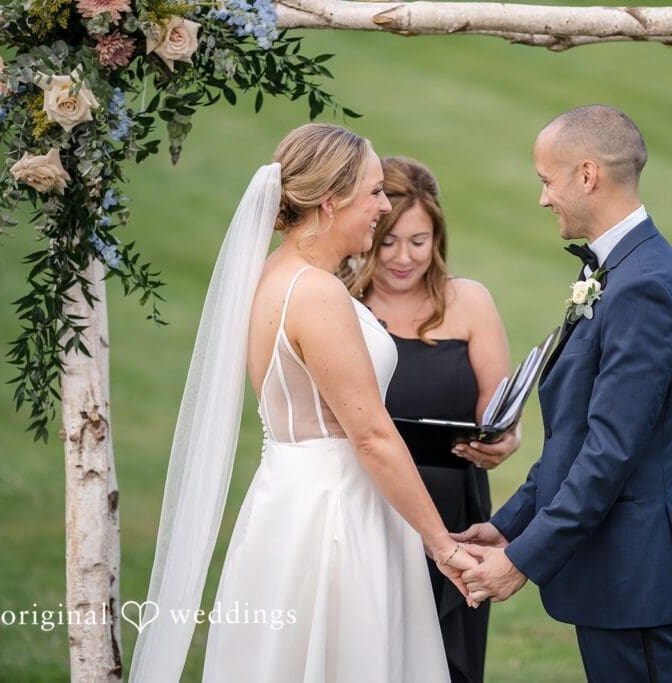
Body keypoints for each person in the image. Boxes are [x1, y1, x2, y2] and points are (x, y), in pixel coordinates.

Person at [129, 123, 479, 683]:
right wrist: (442, 546)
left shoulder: (277, 273)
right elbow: (370, 434)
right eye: (373, 192)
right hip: (336, 514)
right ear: (330, 201)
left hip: (290, 499)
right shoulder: (314, 293)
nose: (383, 205)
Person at [456, 105, 672, 682]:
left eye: (547, 180)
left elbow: (608, 454)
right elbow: (576, 434)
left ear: (587, 175)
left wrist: (520, 560)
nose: (543, 198)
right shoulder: (622, 270)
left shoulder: (645, 288)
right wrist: (509, 523)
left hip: (631, 573)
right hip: (612, 568)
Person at [346, 156, 520, 683]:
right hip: (366, 501)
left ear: (437, 238)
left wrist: (505, 440)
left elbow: (501, 411)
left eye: (418, 242)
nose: (403, 258)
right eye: (390, 242)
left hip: (455, 508)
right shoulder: (341, 303)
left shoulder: (469, 303)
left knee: (450, 659)